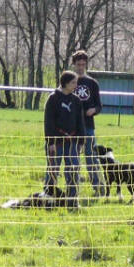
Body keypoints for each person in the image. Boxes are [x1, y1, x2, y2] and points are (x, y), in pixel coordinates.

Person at [44, 71, 87, 208]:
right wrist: (51, 142)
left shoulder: (76, 101)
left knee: (73, 170)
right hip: (56, 142)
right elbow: (48, 122)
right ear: (66, 83)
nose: (76, 85)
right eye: (73, 82)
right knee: (53, 171)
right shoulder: (53, 99)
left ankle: (72, 201)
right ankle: (48, 199)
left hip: (72, 142)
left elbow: (80, 122)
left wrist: (81, 141)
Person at [70, 50, 104, 196]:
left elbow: (99, 106)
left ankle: (98, 187)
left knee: (91, 157)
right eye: (78, 64)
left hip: (88, 126)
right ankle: (73, 187)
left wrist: (93, 110)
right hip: (72, 127)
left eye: (83, 64)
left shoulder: (92, 83)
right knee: (73, 158)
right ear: (74, 64)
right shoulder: (69, 82)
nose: (81, 67)